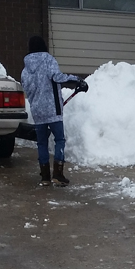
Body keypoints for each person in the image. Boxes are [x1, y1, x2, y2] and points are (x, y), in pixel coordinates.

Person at [21, 35, 85, 186]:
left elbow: (27, 89)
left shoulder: (25, 69)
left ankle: (45, 177)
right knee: (60, 140)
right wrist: (77, 80)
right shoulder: (48, 60)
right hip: (53, 110)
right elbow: (57, 77)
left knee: (42, 143)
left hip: (37, 111)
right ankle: (58, 174)